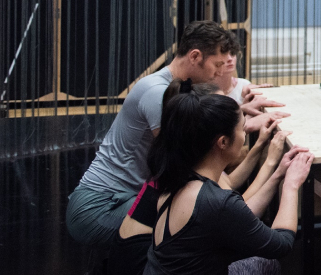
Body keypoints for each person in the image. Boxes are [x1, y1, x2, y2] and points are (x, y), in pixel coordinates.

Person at [127, 83, 314, 275]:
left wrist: (278, 172)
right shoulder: (214, 202)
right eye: (242, 129)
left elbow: (242, 219)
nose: (246, 135)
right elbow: (280, 243)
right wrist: (291, 186)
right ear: (223, 142)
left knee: (262, 268)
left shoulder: (178, 174)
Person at [106, 82, 296, 275]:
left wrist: (264, 154)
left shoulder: (182, 160)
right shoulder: (196, 182)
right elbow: (238, 210)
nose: (244, 129)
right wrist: (281, 175)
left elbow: (231, 191)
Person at [67, 21, 240, 250]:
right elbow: (195, 161)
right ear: (195, 56)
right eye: (216, 64)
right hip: (97, 208)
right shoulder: (157, 93)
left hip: (125, 199)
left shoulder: (176, 89)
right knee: (191, 220)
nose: (220, 72)